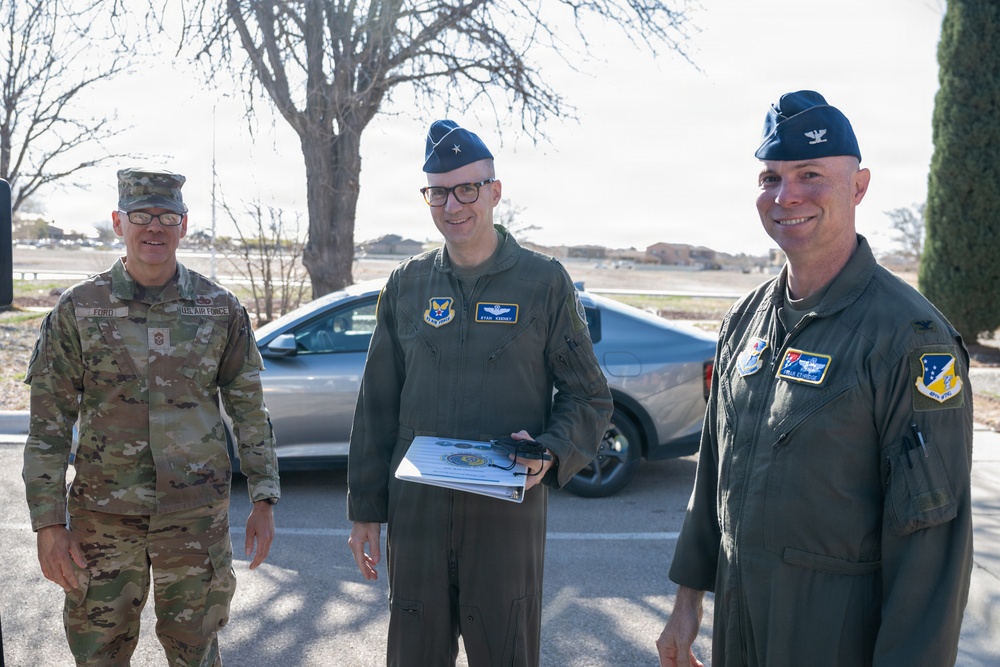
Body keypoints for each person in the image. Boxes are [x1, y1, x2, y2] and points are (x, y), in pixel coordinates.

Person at [656, 91, 974, 667]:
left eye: (810, 174)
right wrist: (685, 603)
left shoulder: (910, 337)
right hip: (739, 625)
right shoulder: (744, 321)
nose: (787, 195)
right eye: (770, 177)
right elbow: (713, 472)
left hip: (834, 639)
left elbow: (931, 548)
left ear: (859, 186)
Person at [347, 120, 613, 666]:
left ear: (494, 190)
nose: (454, 205)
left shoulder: (543, 283)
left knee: (505, 651)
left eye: (468, 188)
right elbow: (376, 405)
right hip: (418, 515)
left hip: (503, 516)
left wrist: (551, 451)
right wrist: (364, 511)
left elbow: (588, 396)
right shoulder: (407, 284)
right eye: (438, 192)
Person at [22, 167, 281, 666]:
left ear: (184, 225)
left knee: (196, 653)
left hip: (194, 519)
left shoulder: (219, 308)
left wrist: (264, 496)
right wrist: (49, 524)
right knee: (98, 654)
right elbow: (48, 427)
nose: (154, 228)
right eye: (142, 216)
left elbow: (248, 409)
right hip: (103, 519)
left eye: (167, 216)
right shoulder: (79, 309)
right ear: (119, 222)